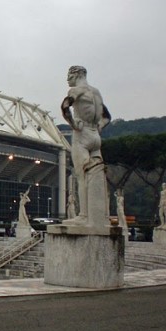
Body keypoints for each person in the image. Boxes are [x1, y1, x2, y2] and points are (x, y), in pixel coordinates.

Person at [61, 66, 111, 225]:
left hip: (82, 135)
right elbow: (107, 117)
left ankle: (83, 216)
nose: (67, 79)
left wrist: (73, 124)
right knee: (96, 175)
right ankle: (99, 217)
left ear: (76, 74)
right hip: (95, 135)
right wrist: (99, 127)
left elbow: (64, 107)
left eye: (69, 75)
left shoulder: (76, 90)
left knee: (81, 176)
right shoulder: (96, 92)